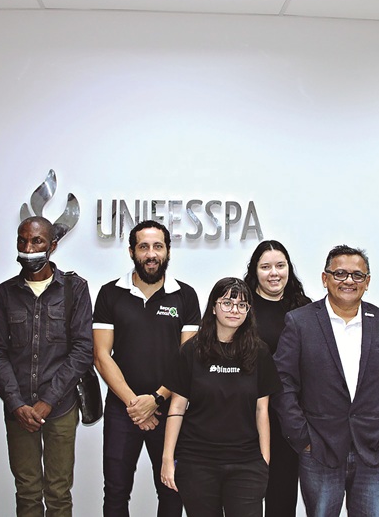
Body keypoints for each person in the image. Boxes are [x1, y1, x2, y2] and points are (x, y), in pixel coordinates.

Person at [272, 244, 379, 517]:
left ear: (367, 282)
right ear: (325, 279)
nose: (349, 280)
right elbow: (283, 382)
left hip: (374, 449)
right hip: (319, 449)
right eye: (339, 273)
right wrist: (302, 437)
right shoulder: (300, 322)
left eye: (357, 275)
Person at [93, 220, 202, 517]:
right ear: (131, 252)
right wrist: (135, 404)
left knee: (171, 489)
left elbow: (188, 358)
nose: (151, 254)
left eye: (158, 246)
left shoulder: (186, 296)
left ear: (167, 251)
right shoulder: (109, 294)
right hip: (122, 409)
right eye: (143, 247)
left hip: (171, 410)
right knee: (115, 492)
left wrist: (155, 400)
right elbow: (102, 355)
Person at [0, 216, 94, 516]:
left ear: (53, 245)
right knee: (27, 491)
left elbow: (82, 350)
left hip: (60, 409)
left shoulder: (75, 289)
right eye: (22, 240)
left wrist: (48, 401)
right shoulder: (5, 292)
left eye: (36, 241)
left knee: (59, 492)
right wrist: (15, 403)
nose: (28, 247)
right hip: (18, 409)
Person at [160, 277, 283, 516]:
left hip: (246, 463)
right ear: (214, 307)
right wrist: (167, 458)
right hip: (197, 462)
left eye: (241, 305)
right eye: (227, 302)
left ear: (248, 311)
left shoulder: (259, 352)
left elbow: (262, 410)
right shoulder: (192, 350)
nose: (234, 310)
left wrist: (264, 461)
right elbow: (177, 406)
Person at [243, 240, 311, 517]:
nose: (274, 273)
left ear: (289, 269)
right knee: (243, 495)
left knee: (282, 496)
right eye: (266, 266)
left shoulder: (305, 309)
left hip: (288, 417)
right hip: (245, 415)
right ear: (254, 271)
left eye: (280, 266)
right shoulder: (240, 307)